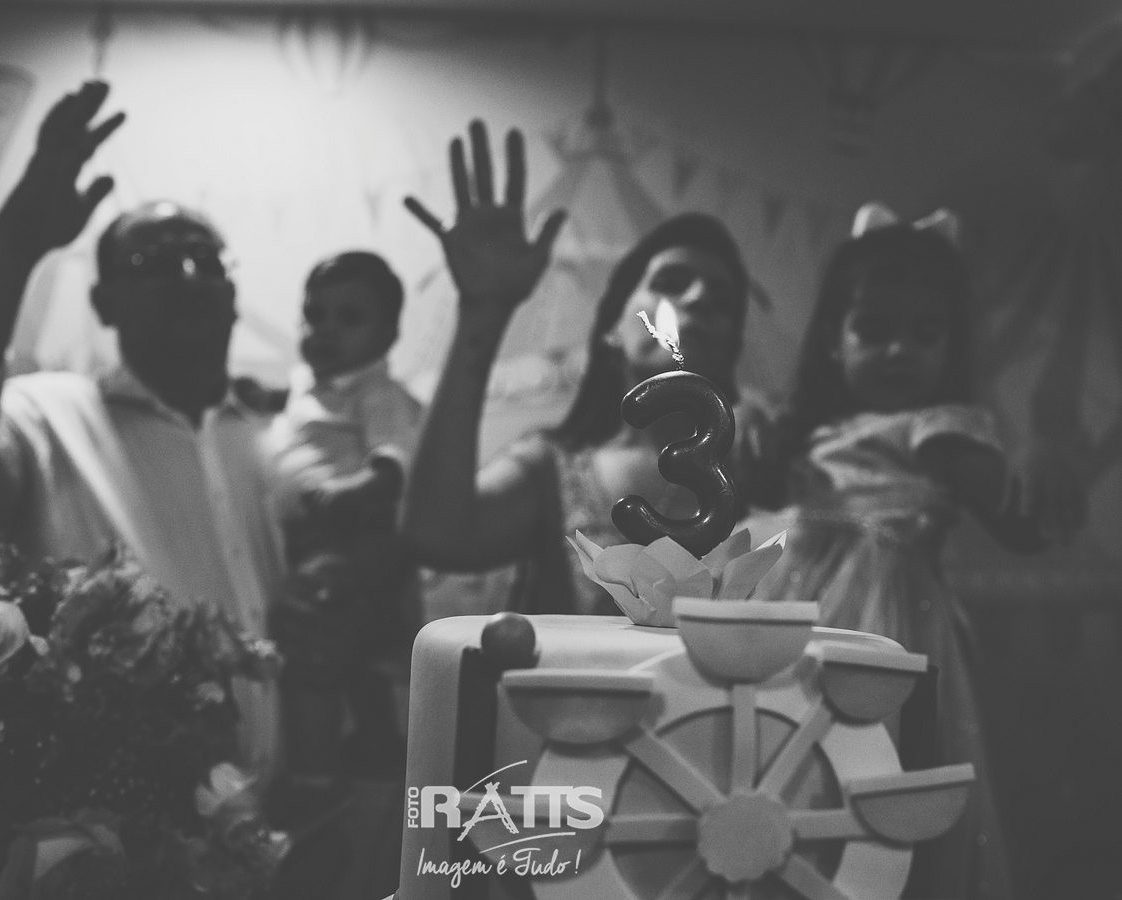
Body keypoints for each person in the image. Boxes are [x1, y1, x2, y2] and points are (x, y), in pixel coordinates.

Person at [0, 81, 282, 784]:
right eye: (153, 263)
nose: (188, 276)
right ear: (102, 302)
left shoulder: (274, 434)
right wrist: (21, 234)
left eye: (206, 258)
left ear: (233, 290)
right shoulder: (47, 418)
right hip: (131, 824)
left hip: (308, 815)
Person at [747, 210, 1087, 900]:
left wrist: (1043, 463)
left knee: (878, 772)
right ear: (833, 341)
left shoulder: (939, 430)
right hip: (793, 619)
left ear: (952, 345)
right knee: (787, 765)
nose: (898, 350)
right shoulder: (811, 434)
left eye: (924, 333)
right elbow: (754, 500)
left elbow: (1021, 526)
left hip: (890, 624)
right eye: (873, 330)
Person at [401, 121, 776, 615]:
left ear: (732, 344)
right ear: (612, 329)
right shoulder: (553, 470)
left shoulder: (767, 464)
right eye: (671, 281)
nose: (699, 299)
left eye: (722, 300)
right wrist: (483, 311)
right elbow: (436, 535)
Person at [263, 250, 422, 777]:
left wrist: (349, 492)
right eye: (315, 314)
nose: (326, 329)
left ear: (389, 333)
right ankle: (373, 749)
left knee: (311, 638)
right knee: (353, 656)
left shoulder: (377, 394)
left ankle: (315, 771)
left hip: (353, 538)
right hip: (317, 542)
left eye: (349, 318)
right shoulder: (311, 385)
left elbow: (392, 465)